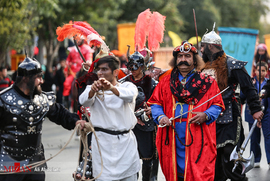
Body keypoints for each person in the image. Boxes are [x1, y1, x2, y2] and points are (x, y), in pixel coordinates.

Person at [147, 41, 225, 181]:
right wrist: (160, 117)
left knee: (200, 174)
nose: (183, 59)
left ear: (195, 60)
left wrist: (206, 115)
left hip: (198, 138)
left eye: (188, 56)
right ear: (175, 60)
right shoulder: (165, 82)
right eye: (180, 56)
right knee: (175, 174)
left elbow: (217, 104)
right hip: (171, 138)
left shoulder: (207, 82)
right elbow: (155, 103)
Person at [0, 56, 86, 181]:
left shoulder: (42, 99)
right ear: (26, 78)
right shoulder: (3, 100)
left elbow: (60, 113)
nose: (42, 81)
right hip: (9, 164)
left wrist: (76, 121)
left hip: (36, 164)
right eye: (38, 77)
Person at [200, 25, 264, 181]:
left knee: (230, 158)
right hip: (208, 117)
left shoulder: (232, 64)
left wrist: (255, 109)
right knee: (214, 163)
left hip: (229, 115)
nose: (201, 50)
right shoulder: (201, 67)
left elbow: (249, 87)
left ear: (210, 46)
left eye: (203, 47)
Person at [79, 54, 140, 180]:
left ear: (116, 72)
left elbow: (130, 96)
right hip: (102, 144)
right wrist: (92, 91)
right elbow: (83, 101)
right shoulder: (91, 88)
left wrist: (111, 88)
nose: (100, 73)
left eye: (104, 69)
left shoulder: (128, 86)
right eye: (98, 70)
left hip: (125, 145)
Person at [123, 48, 159, 181]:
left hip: (146, 124)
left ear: (142, 66)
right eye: (130, 66)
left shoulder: (153, 83)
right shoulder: (123, 84)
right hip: (128, 125)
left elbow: (158, 102)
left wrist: (151, 110)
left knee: (147, 158)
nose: (132, 69)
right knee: (129, 160)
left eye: (135, 66)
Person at [241, 61, 270, 169]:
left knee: (268, 136)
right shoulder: (250, 82)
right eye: (259, 70)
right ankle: (256, 159)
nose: (260, 72)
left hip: (266, 113)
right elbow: (242, 97)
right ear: (255, 70)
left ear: (266, 72)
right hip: (252, 113)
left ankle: (269, 160)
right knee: (254, 137)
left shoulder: (268, 83)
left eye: (263, 70)